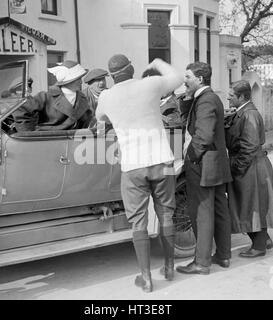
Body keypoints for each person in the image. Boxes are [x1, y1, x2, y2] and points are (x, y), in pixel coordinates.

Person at [96, 55, 183, 293]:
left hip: (133, 166)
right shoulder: (150, 85)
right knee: (166, 213)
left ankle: (146, 278)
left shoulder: (105, 96)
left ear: (112, 76)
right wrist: (156, 62)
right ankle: (169, 267)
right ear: (131, 69)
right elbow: (178, 77)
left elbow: (100, 119)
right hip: (162, 160)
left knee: (138, 221)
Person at [176, 62, 232, 275]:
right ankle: (224, 256)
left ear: (200, 79)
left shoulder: (206, 100)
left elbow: (204, 135)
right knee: (219, 209)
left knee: (202, 212)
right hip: (216, 163)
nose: (185, 80)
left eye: (188, 77)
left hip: (203, 164)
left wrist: (190, 157)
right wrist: (188, 98)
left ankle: (201, 262)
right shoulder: (208, 98)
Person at [225, 80, 273, 258]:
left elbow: (249, 146)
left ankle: (259, 247)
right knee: (252, 203)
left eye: (231, 95)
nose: (228, 97)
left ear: (242, 97)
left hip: (251, 166)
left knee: (253, 205)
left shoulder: (249, 115)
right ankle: (263, 240)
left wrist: (235, 168)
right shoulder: (243, 112)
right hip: (251, 165)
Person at [13, 60, 92, 131]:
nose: (81, 82)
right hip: (49, 140)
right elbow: (22, 109)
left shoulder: (82, 98)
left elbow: (88, 120)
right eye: (78, 79)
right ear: (68, 81)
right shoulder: (46, 97)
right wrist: (28, 135)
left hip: (73, 141)